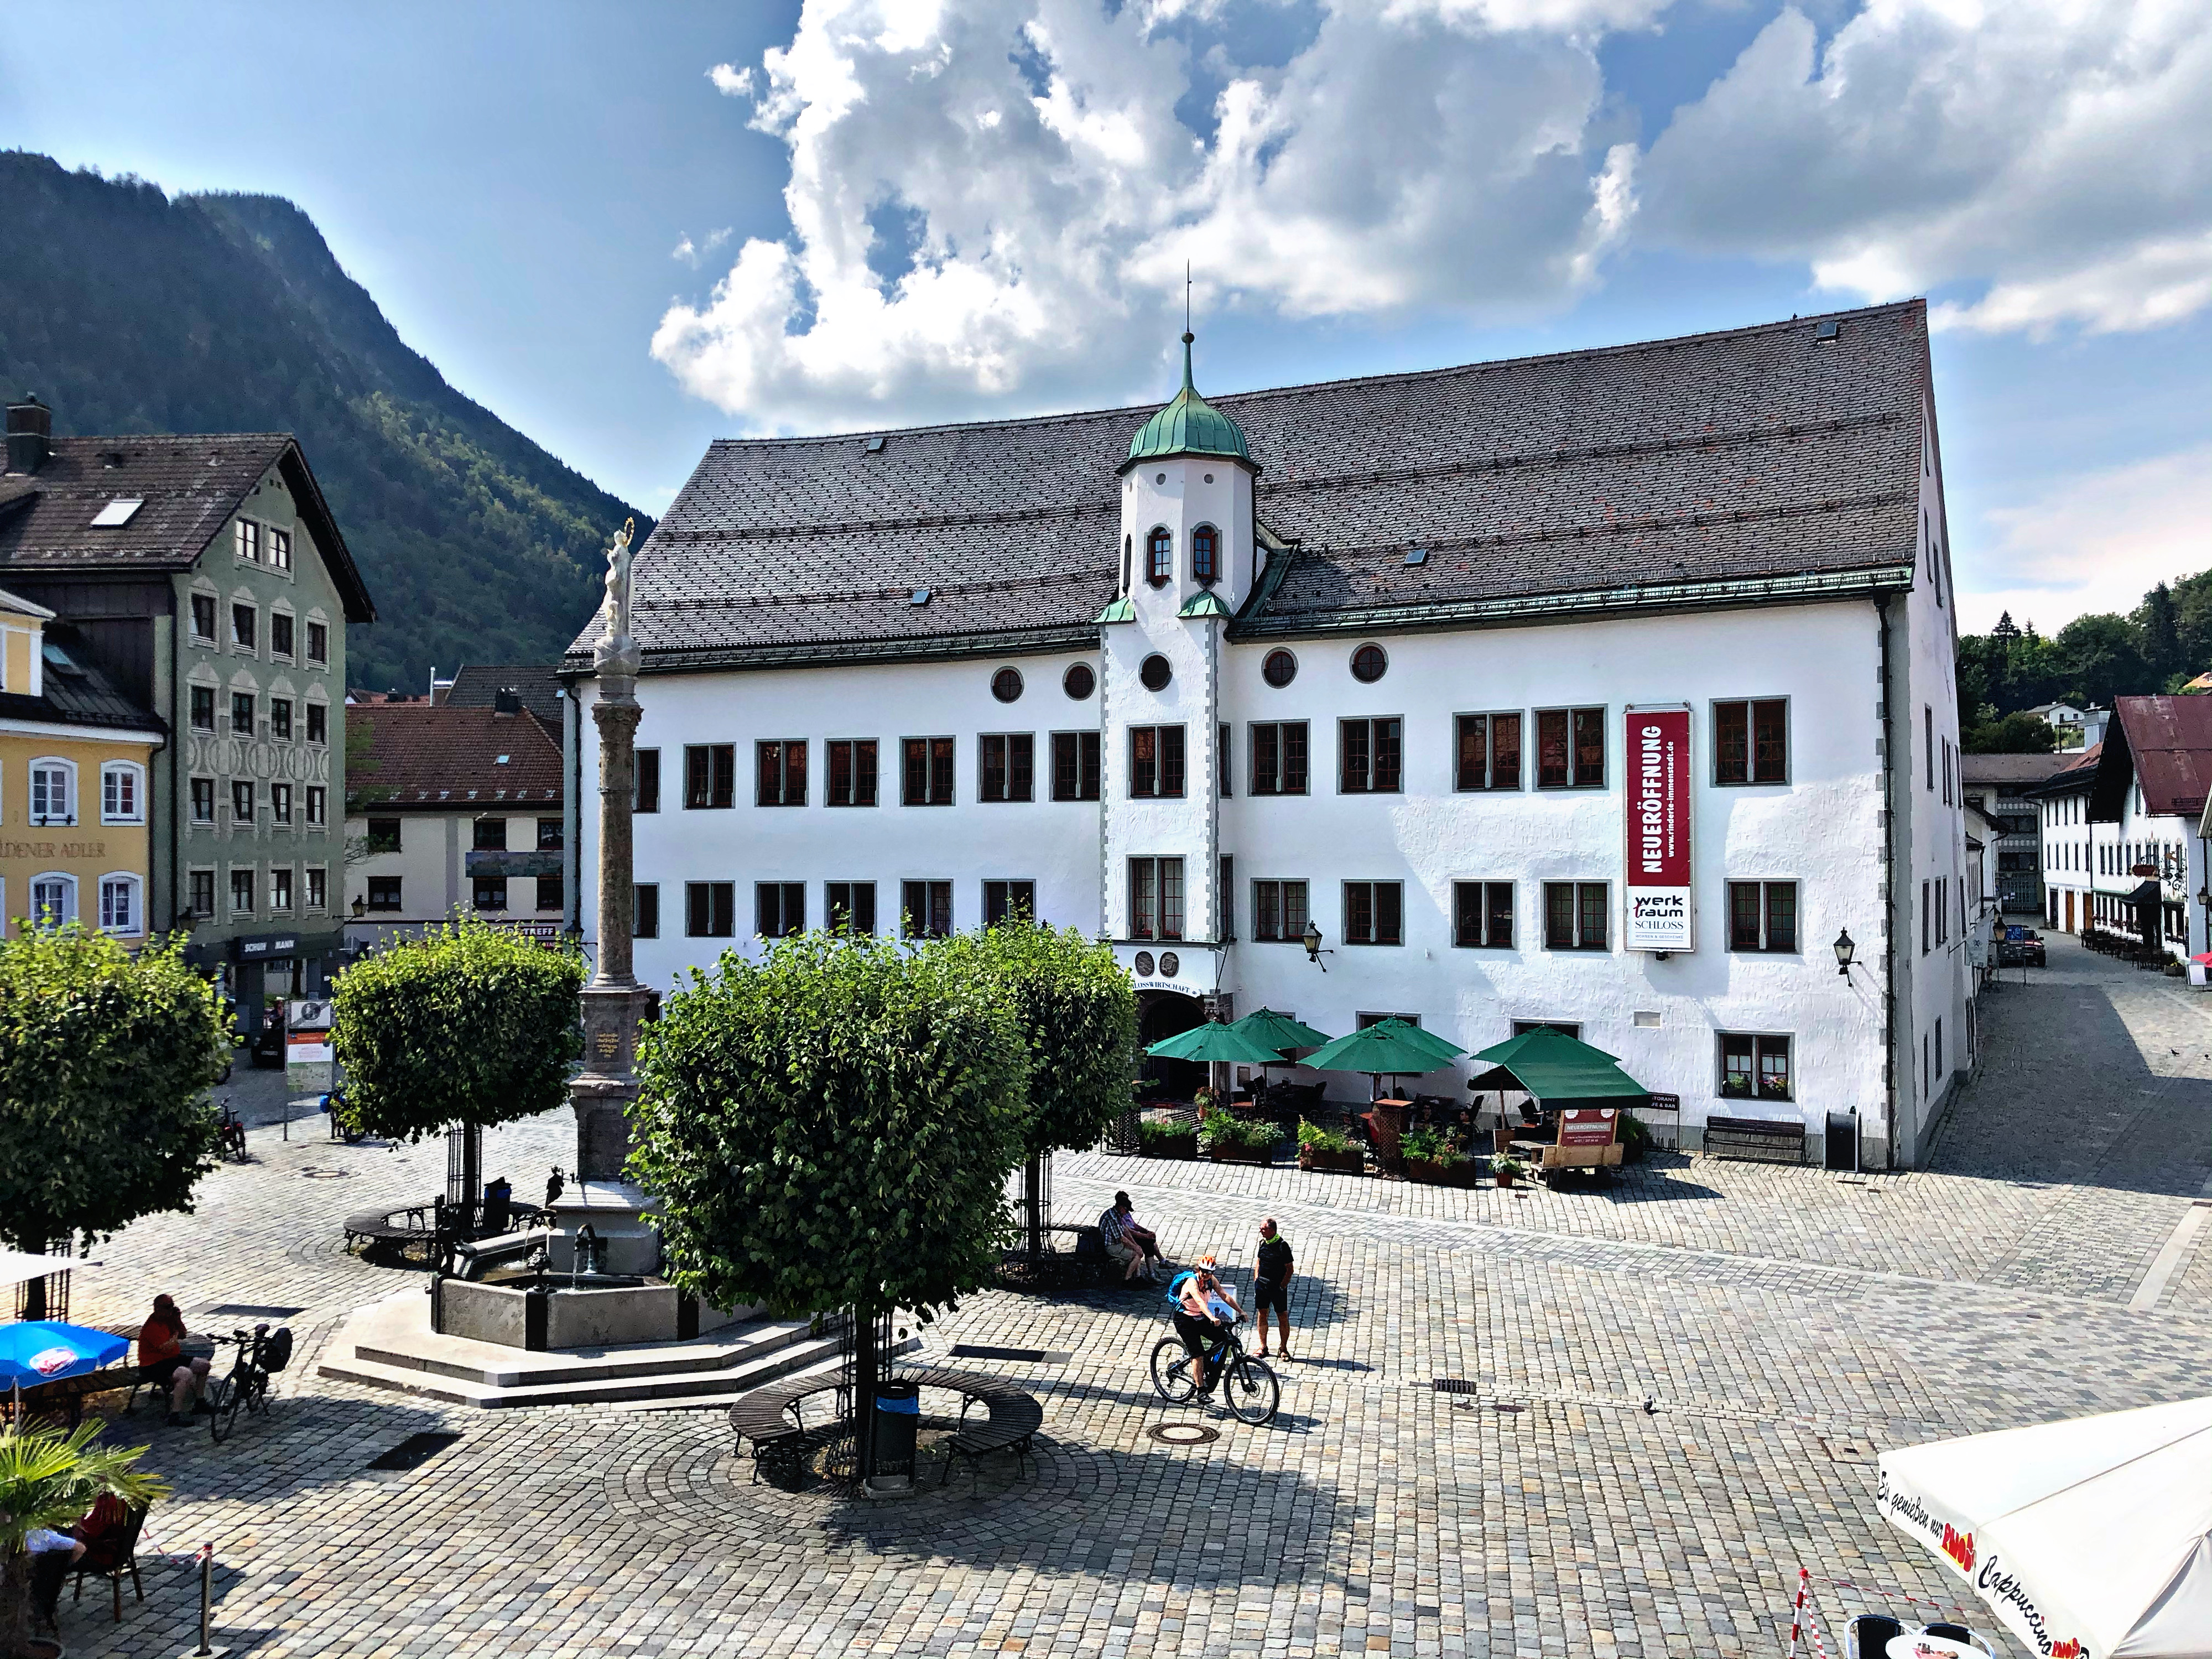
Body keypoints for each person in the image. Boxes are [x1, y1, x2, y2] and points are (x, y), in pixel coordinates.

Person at [139, 1293, 211, 1426]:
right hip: (153, 1364)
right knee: (185, 1374)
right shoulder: (152, 1326)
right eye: (168, 1307)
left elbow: (183, 1334)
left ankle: (200, 1402)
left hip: (172, 1358)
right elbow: (165, 1347)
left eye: (172, 1306)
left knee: (204, 1365)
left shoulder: (169, 1320)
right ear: (158, 1308)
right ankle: (175, 1415)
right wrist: (176, 1334)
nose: (171, 1309)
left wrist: (178, 1320)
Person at [1173, 1258, 1241, 1395]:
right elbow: (1199, 1302)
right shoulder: (1192, 1282)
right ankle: (1201, 1391)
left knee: (1222, 1338)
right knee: (1197, 1354)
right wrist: (1212, 1317)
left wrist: (1240, 1311)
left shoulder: (1211, 1280)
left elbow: (1225, 1296)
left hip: (1199, 1317)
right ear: (1199, 1269)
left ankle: (1207, 1365)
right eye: (1203, 1271)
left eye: (1209, 1272)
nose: (1205, 1274)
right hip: (1184, 1319)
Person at [25, 1525, 85, 1635]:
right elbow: (81, 1549)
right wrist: (63, 1569)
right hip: (47, 1592)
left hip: (19, 1594)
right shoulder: (48, 1536)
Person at [1099, 1192, 1164, 1283]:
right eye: (1126, 1210)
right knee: (1137, 1254)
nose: (1126, 1213)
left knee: (1139, 1250)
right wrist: (1136, 1247)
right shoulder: (1113, 1218)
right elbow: (1122, 1238)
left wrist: (1136, 1245)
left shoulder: (1117, 1214)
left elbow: (1126, 1231)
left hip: (1118, 1243)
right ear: (1121, 1207)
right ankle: (1128, 1279)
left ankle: (1138, 1277)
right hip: (1112, 1246)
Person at [1252, 1218, 1294, 1360]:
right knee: (1262, 1313)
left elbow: (1290, 1269)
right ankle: (1263, 1347)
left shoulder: (1283, 1246)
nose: (1261, 1231)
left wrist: (1282, 1286)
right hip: (1262, 1286)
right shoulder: (1263, 1243)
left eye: (1263, 1229)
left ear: (1272, 1230)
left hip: (1277, 1288)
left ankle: (1284, 1348)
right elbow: (1259, 1261)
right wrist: (1256, 1278)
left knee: (1282, 1316)